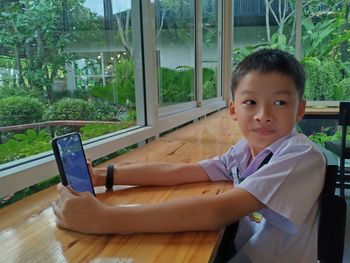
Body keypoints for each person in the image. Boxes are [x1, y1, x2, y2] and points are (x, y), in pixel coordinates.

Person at [52, 49, 325, 262]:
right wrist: (103, 176)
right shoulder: (244, 151)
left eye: (279, 102)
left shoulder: (300, 154)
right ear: (233, 110)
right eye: (250, 102)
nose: (263, 115)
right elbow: (181, 171)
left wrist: (105, 219)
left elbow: (220, 210)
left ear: (299, 110)